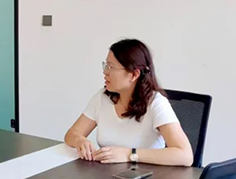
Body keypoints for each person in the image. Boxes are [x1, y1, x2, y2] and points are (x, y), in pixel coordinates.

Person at [64, 39, 193, 166]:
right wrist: (79, 140)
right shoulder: (102, 97)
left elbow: (185, 156)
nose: (105, 72)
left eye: (111, 67)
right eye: (106, 65)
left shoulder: (156, 103)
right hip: (107, 174)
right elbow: (71, 134)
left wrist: (129, 154)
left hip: (148, 176)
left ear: (134, 74)